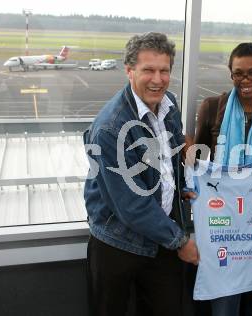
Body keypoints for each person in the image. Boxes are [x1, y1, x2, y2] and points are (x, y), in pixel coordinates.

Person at [83, 32, 198, 316]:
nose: (157, 79)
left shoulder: (168, 103)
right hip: (118, 243)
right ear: (129, 71)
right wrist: (181, 241)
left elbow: (169, 156)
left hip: (160, 234)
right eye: (148, 70)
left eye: (164, 70)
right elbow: (131, 205)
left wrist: (179, 189)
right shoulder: (110, 128)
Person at [193, 42, 252, 316]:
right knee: (224, 305)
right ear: (230, 74)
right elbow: (199, 164)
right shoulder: (212, 108)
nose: (245, 80)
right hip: (222, 224)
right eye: (238, 73)